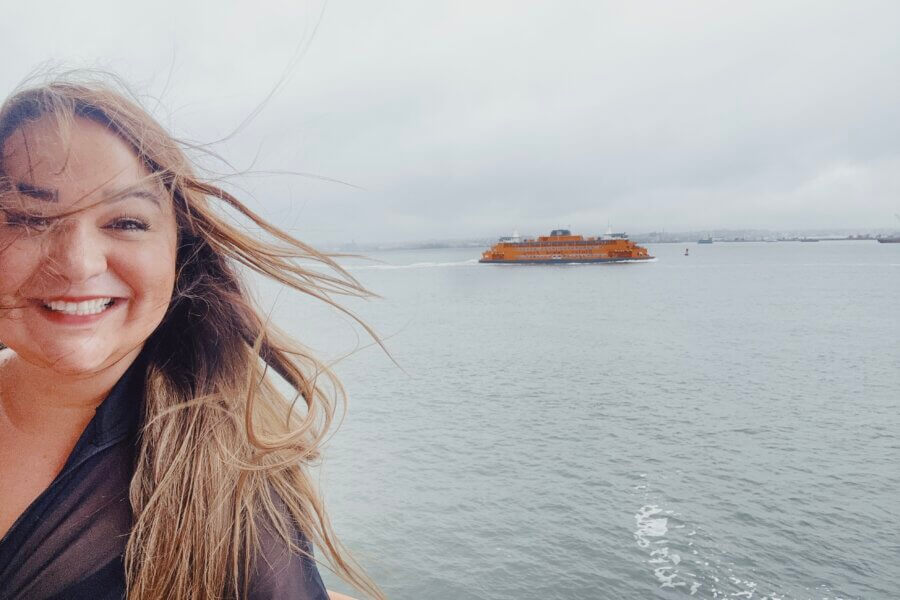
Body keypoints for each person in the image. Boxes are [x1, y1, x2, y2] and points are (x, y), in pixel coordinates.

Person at [0, 75, 380, 599]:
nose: (78, 264)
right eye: (28, 218)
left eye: (127, 222)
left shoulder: (227, 488)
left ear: (180, 253)